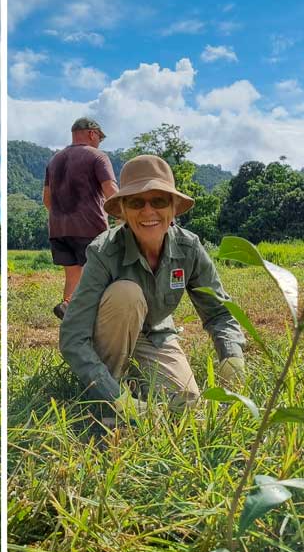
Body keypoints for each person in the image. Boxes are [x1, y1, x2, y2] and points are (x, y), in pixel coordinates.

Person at [59, 154, 246, 416]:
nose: (148, 211)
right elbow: (73, 336)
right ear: (123, 210)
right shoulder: (104, 252)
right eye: (136, 202)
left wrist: (231, 355)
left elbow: (219, 312)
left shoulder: (189, 247)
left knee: (188, 404)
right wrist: (118, 400)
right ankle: (108, 401)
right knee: (127, 294)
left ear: (172, 207)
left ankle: (134, 378)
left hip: (155, 335)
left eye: (158, 200)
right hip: (107, 336)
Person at [43, 117, 119, 320]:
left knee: (72, 276)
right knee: (98, 276)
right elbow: (111, 190)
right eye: (99, 138)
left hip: (59, 229)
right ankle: (92, 320)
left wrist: (63, 216)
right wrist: (125, 215)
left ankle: (69, 315)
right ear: (92, 133)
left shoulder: (54, 160)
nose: (99, 142)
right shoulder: (98, 157)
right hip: (90, 227)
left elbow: (46, 199)